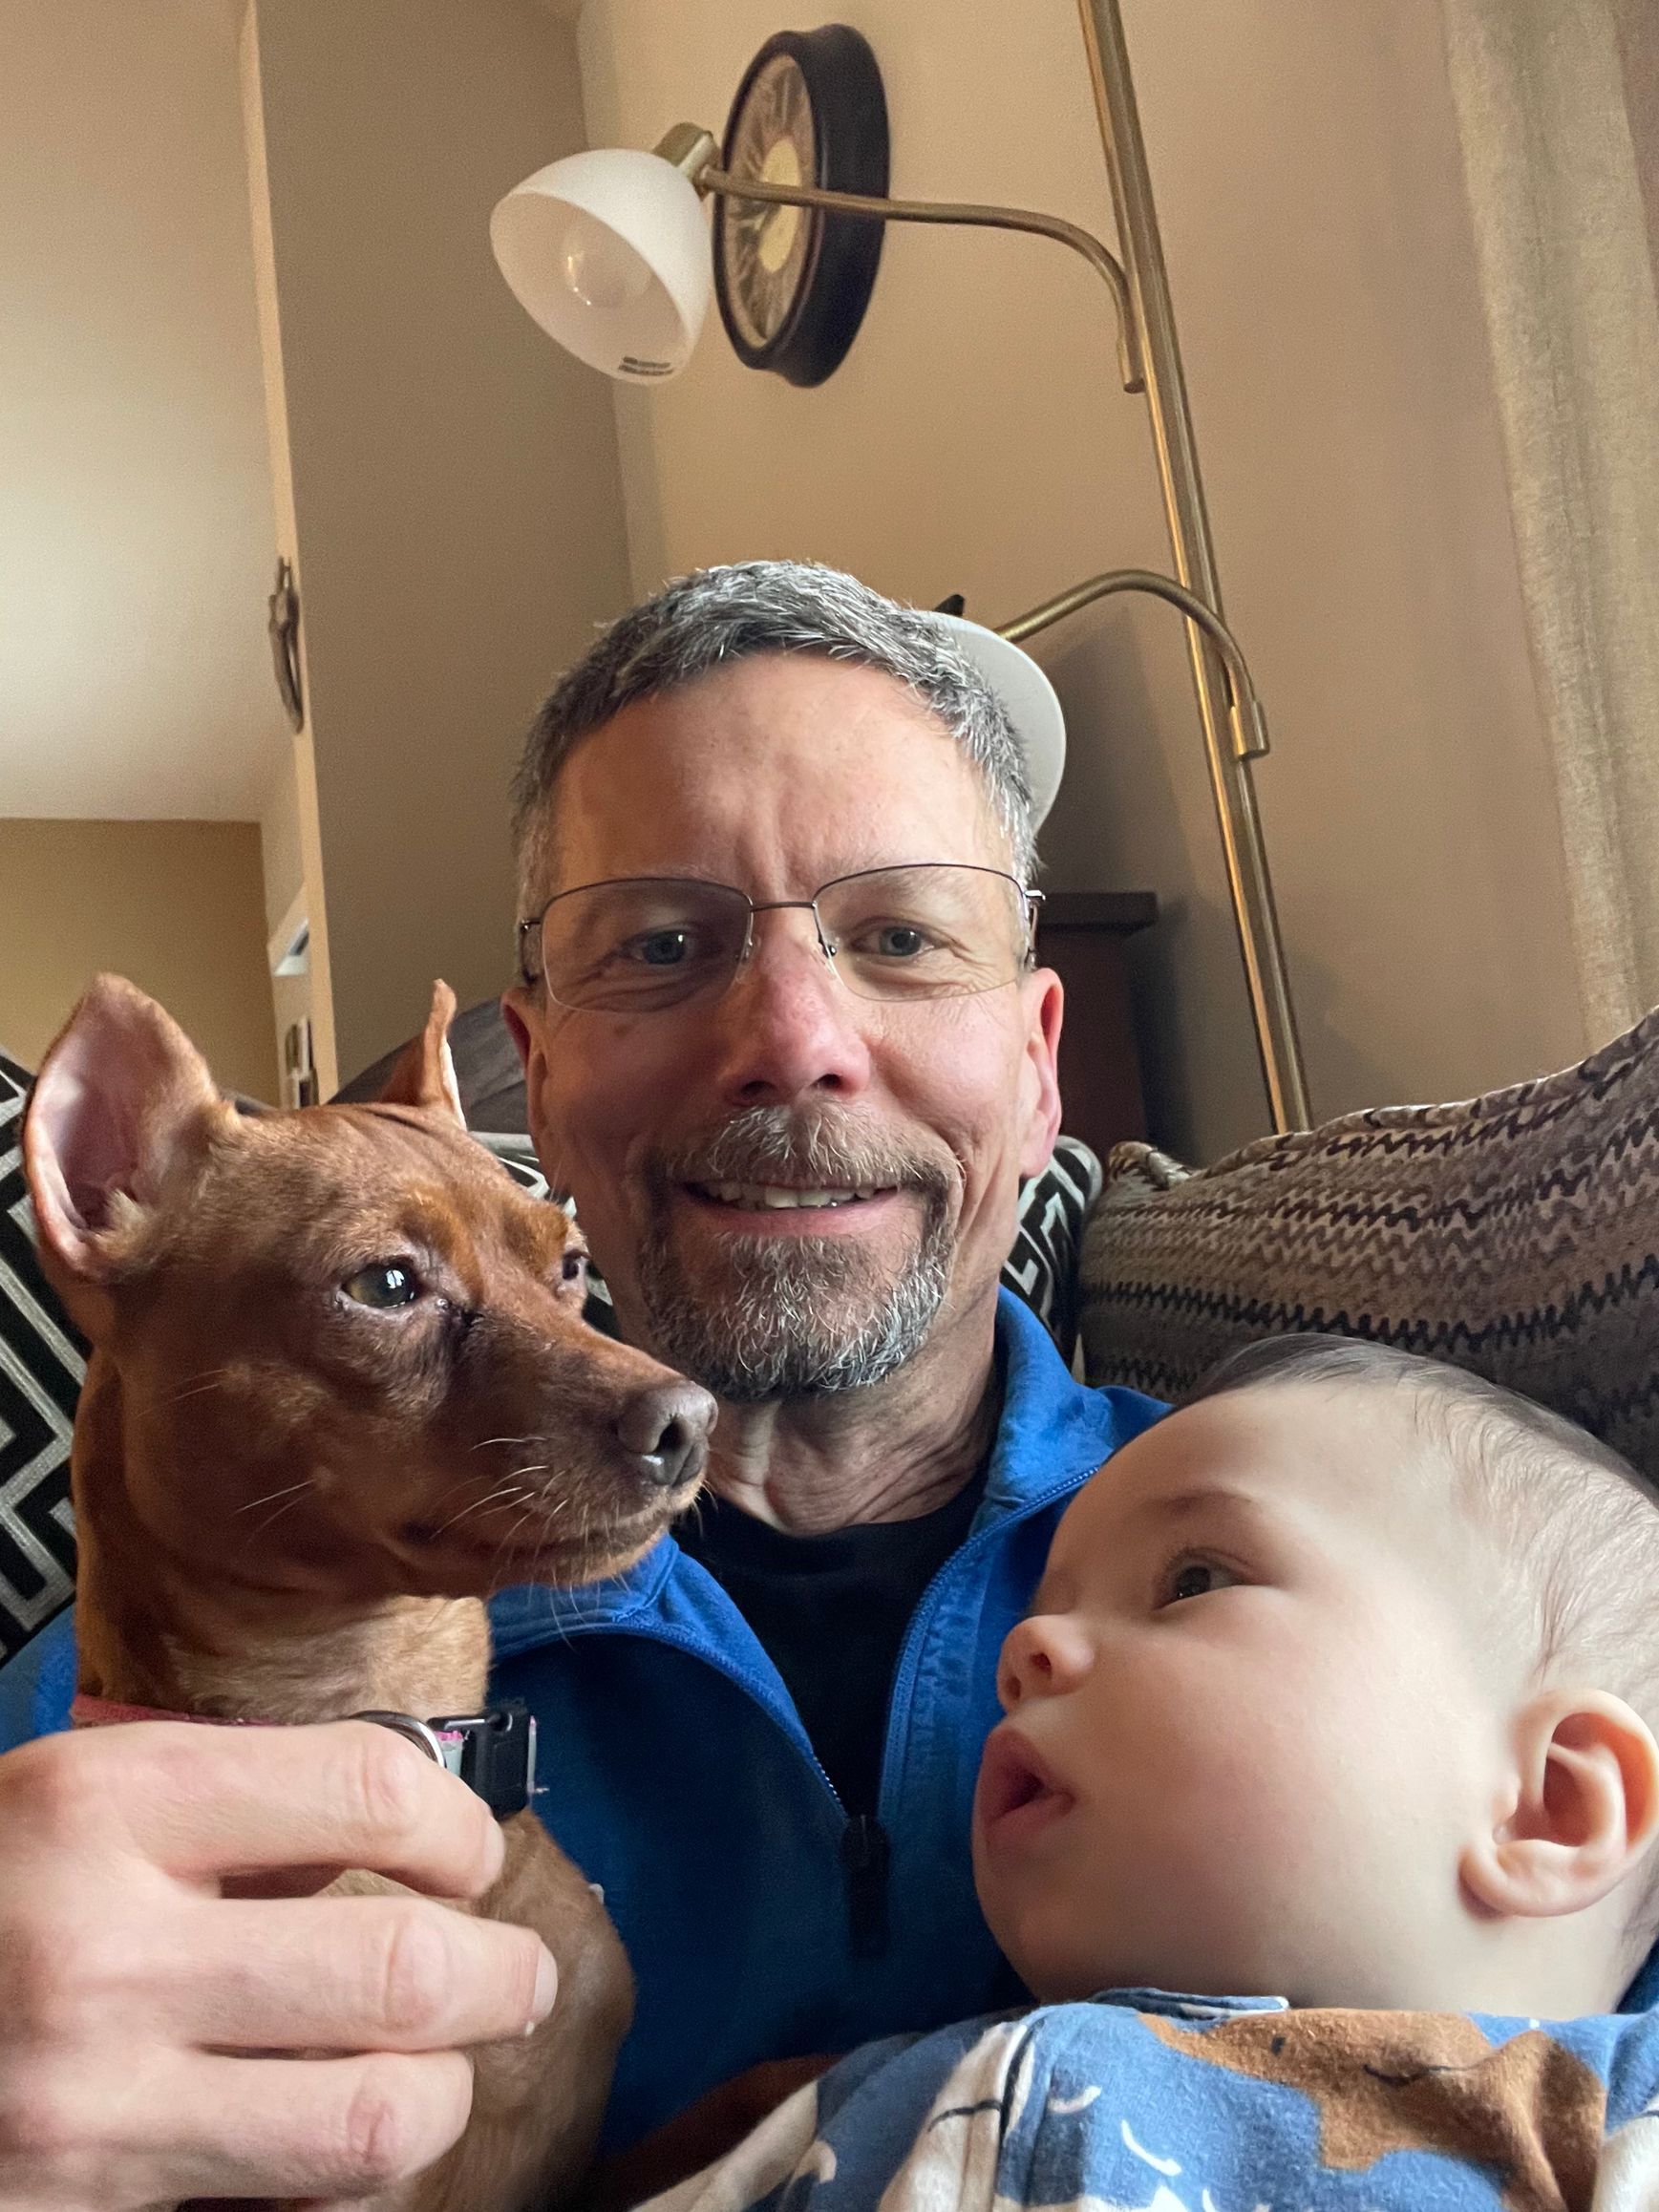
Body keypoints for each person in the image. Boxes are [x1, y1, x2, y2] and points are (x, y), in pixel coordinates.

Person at [0, 562, 1164, 2208]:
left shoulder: (1326, 1541)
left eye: (900, 936)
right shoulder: (100, 1754)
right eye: (664, 946)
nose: (791, 1032)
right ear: (527, 1085)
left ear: (1041, 1062)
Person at [635, 1336, 1659, 2212]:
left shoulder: (1620, 2123)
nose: (1026, 1646)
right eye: (1049, 1600)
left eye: (1194, 1581)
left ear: (1552, 1805)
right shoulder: (868, 2101)